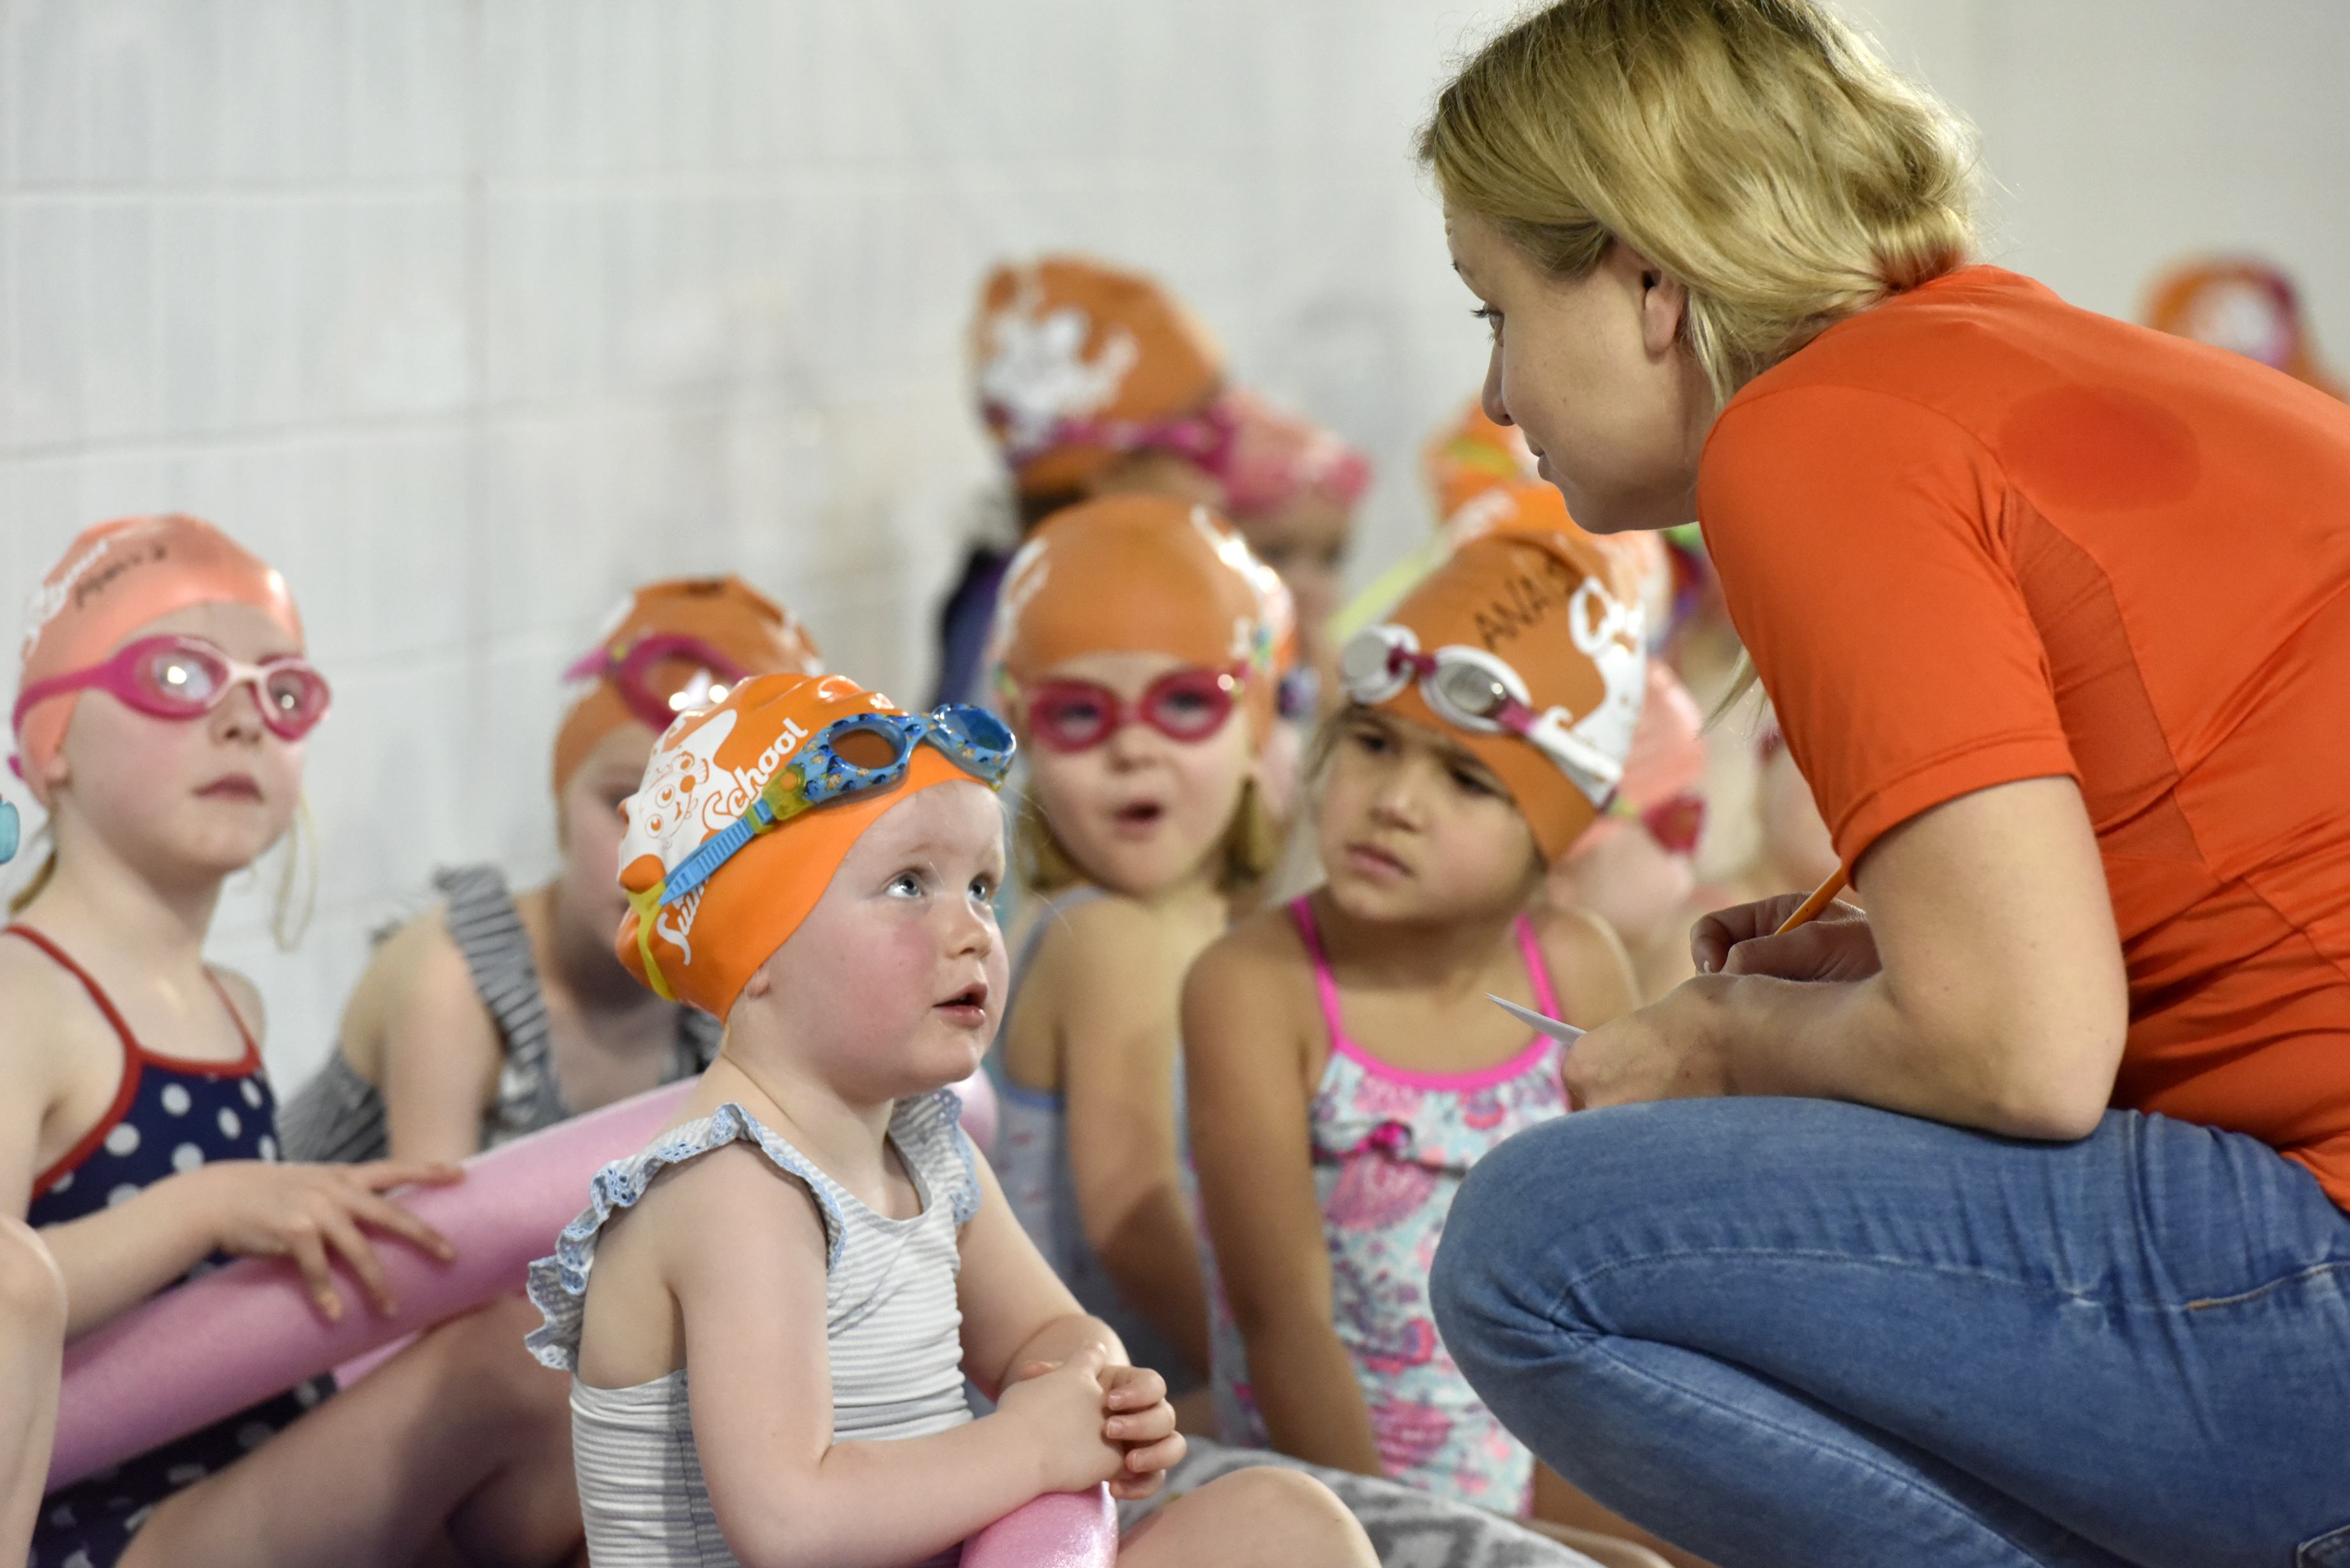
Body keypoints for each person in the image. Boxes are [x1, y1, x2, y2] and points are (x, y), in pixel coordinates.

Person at [1413, 4, 2350, 1565]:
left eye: (1492, 310)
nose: (1498, 395)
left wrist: (1724, 1036)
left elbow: (2022, 1051)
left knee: (1536, 1243)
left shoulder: (1808, 431)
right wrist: (1874, 970)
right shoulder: (2017, 357)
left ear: (1648, 279)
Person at [525, 668, 1378, 1568]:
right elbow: (788, 1522)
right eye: (907, 885)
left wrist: (1101, 1391)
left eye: (980, 886)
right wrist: (1034, 1446)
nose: (973, 929)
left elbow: (1048, 1333)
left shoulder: (924, 1149)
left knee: (1283, 1522)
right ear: (755, 942)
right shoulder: (737, 1190)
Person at [3, 515, 581, 1568]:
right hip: (95, 1526)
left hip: (255, 1465)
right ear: (51, 742)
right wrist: (209, 1204)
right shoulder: (23, 994)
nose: (242, 721)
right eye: (178, 676)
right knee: (501, 1369)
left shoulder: (231, 1003)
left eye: (283, 692)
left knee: (576, 1385)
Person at [1187, 521, 1684, 1567]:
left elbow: (1609, 1298)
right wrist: (1392, 1539)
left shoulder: (1576, 966)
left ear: (1555, 830)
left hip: (1542, 1477)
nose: (1395, 803)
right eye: (1373, 744)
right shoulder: (1259, 986)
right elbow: (1283, 1323)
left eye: (1466, 779)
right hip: (1326, 1502)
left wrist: (1569, 1531)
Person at [281, 575, 821, 1163]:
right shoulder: (458, 979)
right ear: (562, 800)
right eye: (626, 805)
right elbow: (436, 1222)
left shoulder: (727, 1007)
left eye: (719, 829)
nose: (661, 860)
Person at [987, 494, 1287, 1401]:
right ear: (1026, 738)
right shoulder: (1111, 937)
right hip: (1103, 1418)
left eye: (1185, 703)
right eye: (1079, 715)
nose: (1132, 746)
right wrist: (1273, 1380)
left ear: (1255, 723)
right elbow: (1131, 1221)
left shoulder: (1193, 929)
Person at [933, 256, 1232, 709]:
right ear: (1111, 474)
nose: (1220, 487)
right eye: (1209, 448)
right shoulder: (1037, 623)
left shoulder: (1023, 591)